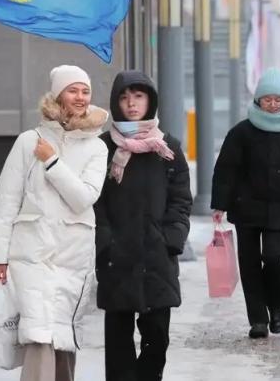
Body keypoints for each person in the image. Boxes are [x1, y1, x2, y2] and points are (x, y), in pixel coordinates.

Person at [0, 65, 109, 381]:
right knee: (39, 335)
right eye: (73, 90)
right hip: (31, 254)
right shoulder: (29, 141)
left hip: (73, 256)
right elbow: (6, 202)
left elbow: (84, 197)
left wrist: (52, 161)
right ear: (58, 94)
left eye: (85, 91)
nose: (80, 97)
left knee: (63, 338)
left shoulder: (96, 147)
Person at [94, 70, 191, 380]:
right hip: (116, 258)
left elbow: (180, 200)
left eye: (137, 96)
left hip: (156, 256)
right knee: (118, 341)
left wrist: (171, 238)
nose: (131, 104)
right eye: (124, 97)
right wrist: (104, 241)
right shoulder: (103, 148)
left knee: (157, 339)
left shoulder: (167, 148)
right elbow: (94, 200)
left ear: (150, 100)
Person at [212, 68, 280, 339]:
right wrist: (220, 203)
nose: (272, 104)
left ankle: (277, 306)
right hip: (246, 209)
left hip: (278, 210)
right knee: (250, 264)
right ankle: (257, 319)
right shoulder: (241, 133)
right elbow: (226, 170)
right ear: (257, 100)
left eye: (277, 99)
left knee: (273, 257)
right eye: (267, 99)